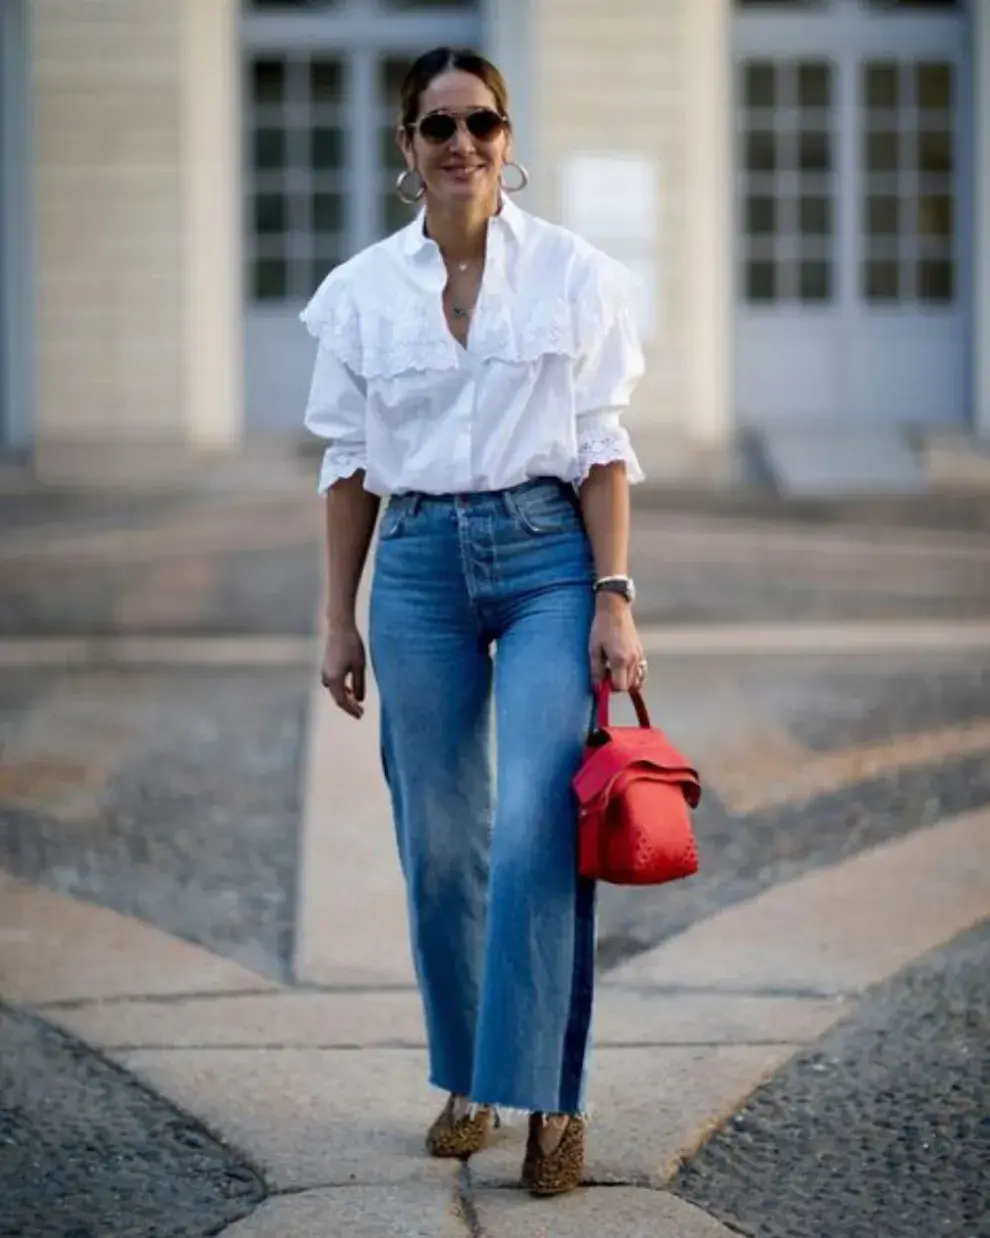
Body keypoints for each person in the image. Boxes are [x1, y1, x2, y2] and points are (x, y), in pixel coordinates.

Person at [301, 45, 647, 1197]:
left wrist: (613, 593)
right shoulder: (359, 293)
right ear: (407, 149)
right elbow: (349, 466)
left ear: (510, 141)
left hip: (549, 556)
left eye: (481, 124)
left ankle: (552, 1095)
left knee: (540, 824)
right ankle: (469, 1079)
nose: (462, 146)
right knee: (441, 840)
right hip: (415, 568)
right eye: (438, 127)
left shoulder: (574, 276)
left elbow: (602, 448)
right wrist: (336, 619)